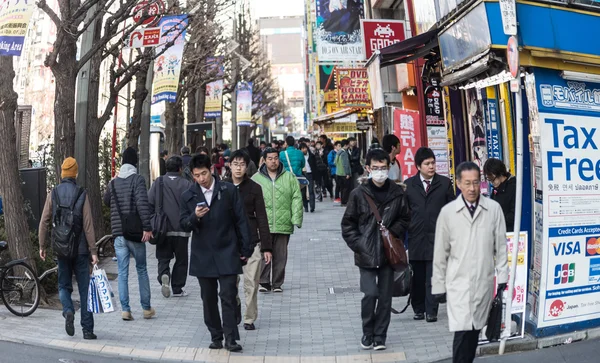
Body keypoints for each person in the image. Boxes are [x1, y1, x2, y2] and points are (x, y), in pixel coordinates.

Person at [432, 161, 508, 363]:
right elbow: (440, 252)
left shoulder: (493, 209)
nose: (472, 188)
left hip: (483, 281)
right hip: (458, 283)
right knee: (463, 330)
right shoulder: (448, 213)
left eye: (475, 182)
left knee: (474, 331)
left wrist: (503, 276)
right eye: (467, 183)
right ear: (458, 183)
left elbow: (500, 245)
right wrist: (438, 286)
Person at [180, 154, 253, 352]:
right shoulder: (188, 196)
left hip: (228, 250)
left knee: (228, 295)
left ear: (211, 169)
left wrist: (246, 248)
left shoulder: (228, 190)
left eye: (204, 173)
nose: (201, 178)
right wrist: (194, 217)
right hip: (203, 254)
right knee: (208, 298)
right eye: (196, 175)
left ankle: (231, 338)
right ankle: (216, 335)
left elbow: (241, 220)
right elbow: (183, 224)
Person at [341, 149, 411, 351]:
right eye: (376, 168)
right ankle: (367, 332)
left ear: (389, 168)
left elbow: (406, 217)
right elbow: (348, 224)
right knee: (370, 293)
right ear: (368, 169)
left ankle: (380, 336)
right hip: (367, 254)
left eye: (383, 168)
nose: (380, 172)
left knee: (385, 297)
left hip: (389, 254)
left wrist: (393, 233)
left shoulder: (398, 193)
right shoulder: (358, 194)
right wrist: (360, 244)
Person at [39, 157, 99, 340]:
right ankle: (87, 330)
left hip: (61, 248)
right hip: (80, 249)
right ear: (76, 173)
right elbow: (88, 225)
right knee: (84, 289)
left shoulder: (54, 193)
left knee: (63, 286)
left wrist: (42, 245)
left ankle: (68, 310)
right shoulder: (82, 193)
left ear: (63, 173)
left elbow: (44, 221)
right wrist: (94, 251)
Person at [103, 147, 155, 321]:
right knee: (141, 269)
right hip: (135, 233)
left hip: (119, 234)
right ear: (135, 162)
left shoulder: (114, 182)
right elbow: (142, 204)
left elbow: (106, 201)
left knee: (122, 272)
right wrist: (147, 227)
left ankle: (126, 310)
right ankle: (146, 309)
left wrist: (111, 184)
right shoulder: (138, 180)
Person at [404, 147, 455, 323]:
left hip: (438, 237)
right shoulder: (409, 185)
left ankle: (431, 310)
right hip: (416, 237)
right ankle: (418, 308)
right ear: (418, 166)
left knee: (434, 277)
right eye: (427, 164)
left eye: (433, 163)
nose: (431, 166)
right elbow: (404, 212)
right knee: (417, 277)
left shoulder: (444, 183)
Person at [225, 150, 273, 331]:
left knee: (251, 282)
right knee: (230, 283)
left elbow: (262, 217)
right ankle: (236, 307)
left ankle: (249, 318)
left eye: (242, 165)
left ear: (247, 167)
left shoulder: (254, 188)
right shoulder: (223, 186)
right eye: (235, 164)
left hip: (252, 241)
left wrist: (267, 247)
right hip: (229, 243)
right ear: (230, 166)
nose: (238, 168)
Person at [252, 148, 303, 293]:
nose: (273, 161)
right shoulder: (256, 178)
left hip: (283, 222)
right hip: (263, 224)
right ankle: (263, 281)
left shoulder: (289, 177)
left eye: (275, 158)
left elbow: (296, 197)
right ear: (264, 160)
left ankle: (277, 283)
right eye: (270, 158)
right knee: (263, 254)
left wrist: (296, 218)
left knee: (281, 255)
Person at [148, 156, 193, 298]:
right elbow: (193, 205)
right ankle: (178, 288)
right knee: (181, 260)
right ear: (180, 169)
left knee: (163, 258)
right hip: (182, 229)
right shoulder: (187, 184)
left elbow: (149, 202)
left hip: (162, 229)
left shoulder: (158, 182)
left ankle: (164, 276)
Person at [484, 158, 516, 232]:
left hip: (510, 232)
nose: (492, 182)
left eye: (492, 179)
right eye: (489, 179)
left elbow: (514, 214)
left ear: (500, 173)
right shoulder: (497, 188)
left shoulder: (513, 187)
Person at [300, 143, 317, 213]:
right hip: (302, 174)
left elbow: (315, 167)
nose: (304, 149)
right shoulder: (299, 157)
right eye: (302, 148)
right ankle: (306, 206)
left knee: (311, 191)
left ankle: (312, 207)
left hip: (310, 174)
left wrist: (316, 177)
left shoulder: (312, 156)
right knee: (303, 192)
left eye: (305, 148)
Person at [335, 139, 352, 206]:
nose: (349, 146)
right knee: (346, 188)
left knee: (342, 188)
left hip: (338, 173)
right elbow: (346, 164)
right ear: (345, 145)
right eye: (348, 145)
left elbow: (335, 162)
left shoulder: (338, 152)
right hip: (344, 173)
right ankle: (344, 201)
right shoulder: (344, 153)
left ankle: (342, 201)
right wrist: (347, 173)